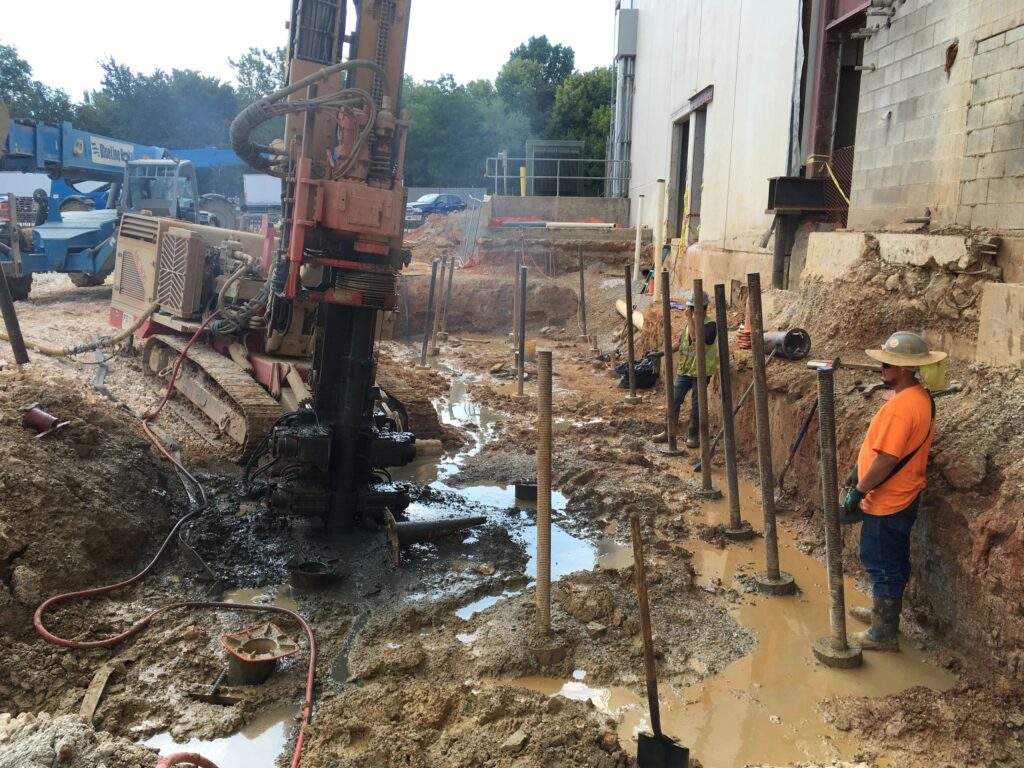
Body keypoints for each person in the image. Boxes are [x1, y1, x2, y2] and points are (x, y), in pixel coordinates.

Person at [843, 331, 946, 651]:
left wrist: (859, 489)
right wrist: (860, 467)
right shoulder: (918, 397)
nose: (882, 369)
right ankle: (882, 615)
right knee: (891, 557)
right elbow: (889, 451)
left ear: (904, 369)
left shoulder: (903, 407)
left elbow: (887, 459)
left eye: (888, 364)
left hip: (889, 499)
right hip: (904, 493)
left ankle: (883, 632)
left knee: (881, 559)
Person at [653, 289, 717, 448]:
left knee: (697, 405)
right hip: (685, 369)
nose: (690, 311)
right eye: (690, 308)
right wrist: (662, 353)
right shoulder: (690, 324)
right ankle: (668, 430)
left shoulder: (710, 325)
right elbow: (681, 342)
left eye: (692, 308)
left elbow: (696, 338)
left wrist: (689, 319)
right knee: (674, 399)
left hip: (701, 372)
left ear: (702, 308)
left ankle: (693, 436)